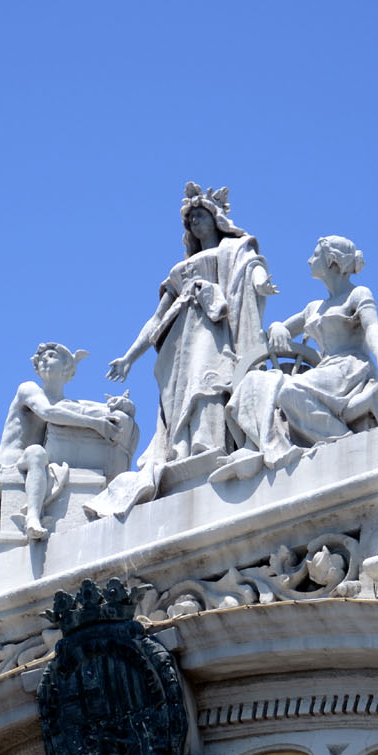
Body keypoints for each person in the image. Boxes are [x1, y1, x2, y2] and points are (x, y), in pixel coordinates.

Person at [92, 184, 276, 516]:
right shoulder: (179, 272)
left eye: (200, 215)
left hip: (214, 328)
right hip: (180, 339)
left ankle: (208, 443)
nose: (195, 223)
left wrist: (261, 283)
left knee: (207, 381)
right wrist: (129, 357)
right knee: (182, 392)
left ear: (216, 218)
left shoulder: (232, 250)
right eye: (190, 219)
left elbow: (252, 266)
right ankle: (182, 450)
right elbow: (156, 318)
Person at [219, 235, 378, 479]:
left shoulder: (358, 294)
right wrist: (278, 326)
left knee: (291, 391)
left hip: (350, 369)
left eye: (316, 254)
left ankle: (343, 441)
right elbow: (283, 329)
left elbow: (372, 326)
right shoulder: (314, 308)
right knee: (256, 382)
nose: (310, 260)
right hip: (325, 370)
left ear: (331, 260)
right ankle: (261, 445)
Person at [0, 344, 134, 561]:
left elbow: (98, 409)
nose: (43, 360)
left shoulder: (68, 404)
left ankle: (32, 519)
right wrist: (96, 424)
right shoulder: (28, 389)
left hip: (31, 460)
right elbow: (49, 412)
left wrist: (124, 406)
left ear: (68, 368)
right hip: (1, 463)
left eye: (51, 355)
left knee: (36, 453)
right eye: (40, 358)